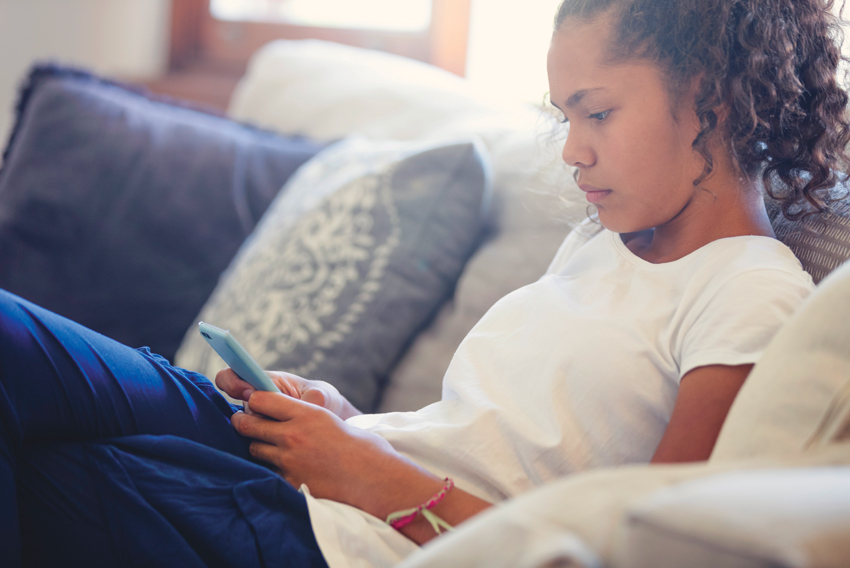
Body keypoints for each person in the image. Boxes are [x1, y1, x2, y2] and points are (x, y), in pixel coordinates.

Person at [1, 0, 847, 566]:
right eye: (565, 118)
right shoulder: (605, 244)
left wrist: (375, 475)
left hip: (346, 541)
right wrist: (348, 425)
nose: (572, 150)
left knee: (43, 477)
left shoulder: (749, 296)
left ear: (713, 100)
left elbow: (642, 549)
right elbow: (486, 437)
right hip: (334, 482)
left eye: (598, 112)